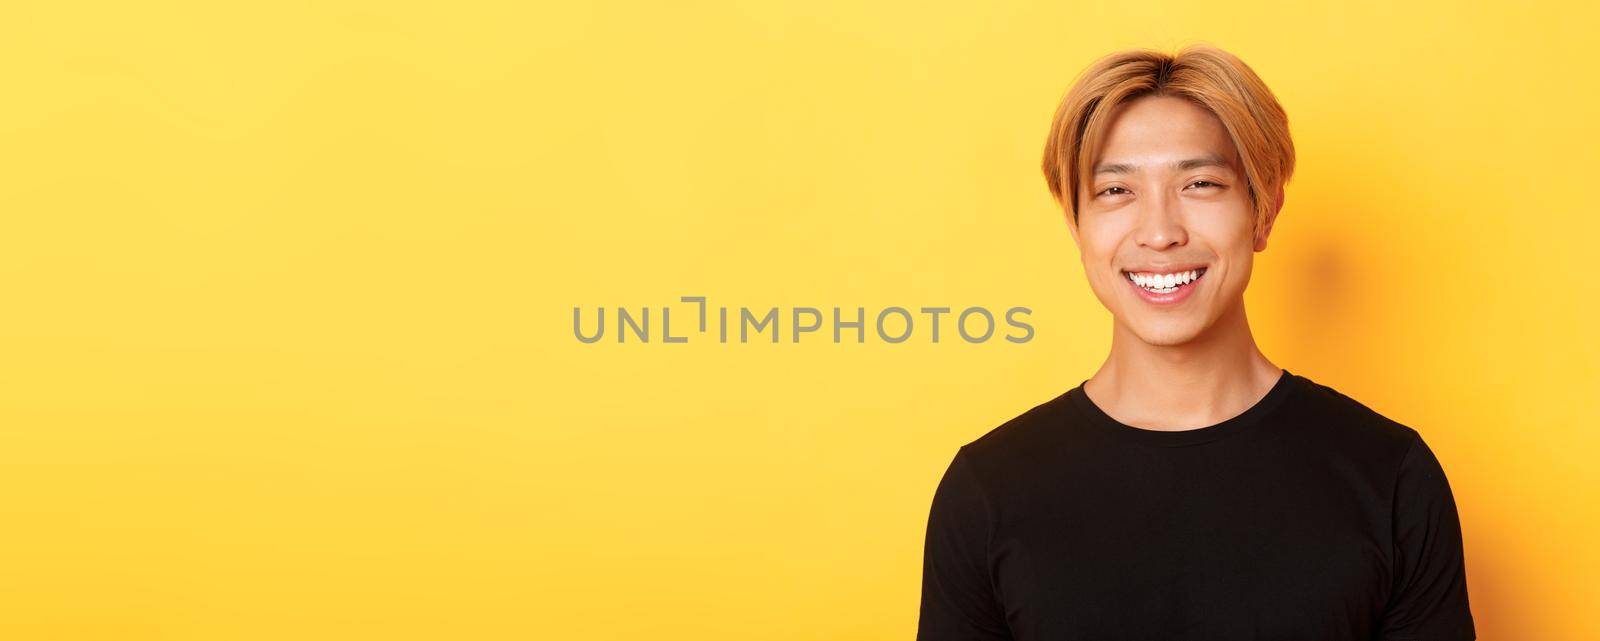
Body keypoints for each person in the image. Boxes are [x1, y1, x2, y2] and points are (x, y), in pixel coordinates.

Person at [915, 44, 1476, 640]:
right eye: (1115, 191)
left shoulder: (1391, 478)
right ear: (1075, 223)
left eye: (1201, 183)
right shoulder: (988, 490)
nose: (1160, 232)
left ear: (1264, 212)